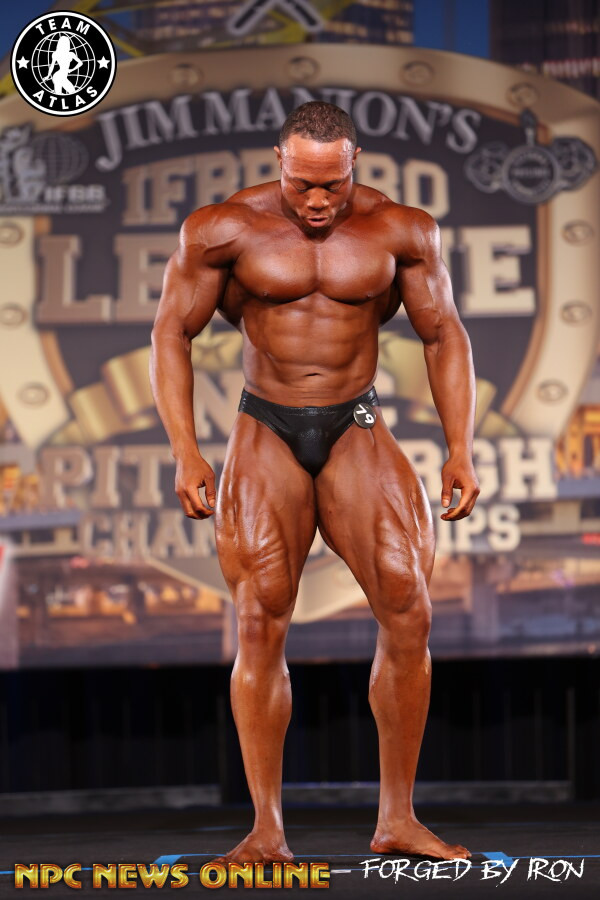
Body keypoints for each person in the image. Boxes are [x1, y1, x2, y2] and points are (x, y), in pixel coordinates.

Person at [150, 101, 480, 864]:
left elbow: (443, 333)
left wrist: (461, 447)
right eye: (303, 185)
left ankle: (398, 820)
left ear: (355, 162)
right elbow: (172, 331)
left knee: (408, 607)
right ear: (280, 162)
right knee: (260, 618)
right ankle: (266, 830)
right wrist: (185, 451)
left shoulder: (402, 230)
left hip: (355, 424)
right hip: (265, 426)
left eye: (334, 184)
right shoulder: (222, 229)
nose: (319, 200)